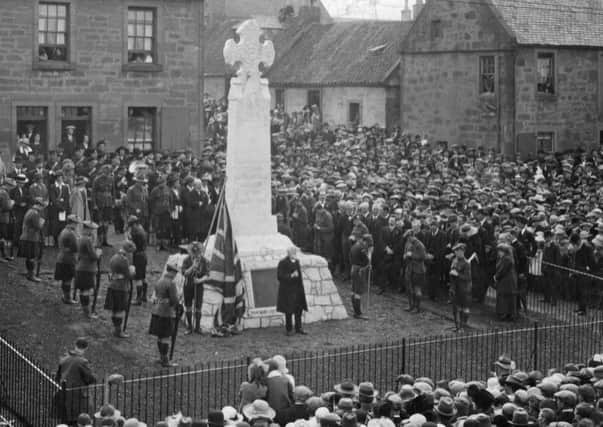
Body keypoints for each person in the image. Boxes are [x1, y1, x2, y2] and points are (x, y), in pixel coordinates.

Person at [55, 337, 96, 425]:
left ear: (75, 345)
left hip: (64, 394)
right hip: (78, 397)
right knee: (79, 420)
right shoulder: (82, 362)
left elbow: (57, 377)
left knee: (66, 420)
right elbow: (91, 379)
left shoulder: (64, 359)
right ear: (86, 348)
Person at [149, 257, 180, 368]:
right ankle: (165, 360)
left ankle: (161, 357)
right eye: (175, 272)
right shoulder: (171, 284)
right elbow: (174, 300)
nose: (175, 275)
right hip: (167, 313)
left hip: (157, 311)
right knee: (166, 337)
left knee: (160, 336)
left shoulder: (160, 281)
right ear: (171, 272)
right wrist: (177, 303)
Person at [104, 241, 137, 338]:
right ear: (128, 250)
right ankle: (118, 331)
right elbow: (129, 275)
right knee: (119, 310)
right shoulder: (124, 260)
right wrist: (133, 271)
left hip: (113, 285)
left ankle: (116, 328)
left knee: (115, 309)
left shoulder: (114, 257)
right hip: (121, 287)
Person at [276, 246, 308, 336]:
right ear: (288, 253)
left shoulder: (297, 262)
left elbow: (299, 276)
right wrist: (291, 276)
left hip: (297, 290)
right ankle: (289, 329)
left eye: (295, 253)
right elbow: (279, 276)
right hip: (288, 291)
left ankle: (299, 328)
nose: (294, 254)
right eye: (292, 253)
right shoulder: (282, 263)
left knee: (298, 310)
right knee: (289, 311)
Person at [74, 221, 102, 319]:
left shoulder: (80, 238)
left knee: (83, 290)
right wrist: (98, 253)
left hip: (81, 266)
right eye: (92, 229)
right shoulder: (87, 240)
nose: (93, 231)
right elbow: (93, 255)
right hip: (87, 268)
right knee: (85, 290)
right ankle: (87, 313)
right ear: (88, 229)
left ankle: (85, 310)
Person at [182, 241, 209, 335]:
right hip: (188, 285)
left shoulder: (204, 260)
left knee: (198, 307)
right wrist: (192, 267)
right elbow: (184, 273)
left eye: (197, 251)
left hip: (199, 285)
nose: (196, 253)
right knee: (188, 306)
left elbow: (207, 274)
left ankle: (197, 327)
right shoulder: (186, 260)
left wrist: (200, 280)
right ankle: (189, 327)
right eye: (194, 251)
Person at [18, 197, 45, 282]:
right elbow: (38, 226)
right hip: (30, 238)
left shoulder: (30, 211)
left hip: (27, 237)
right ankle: (31, 275)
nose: (41, 208)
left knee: (29, 257)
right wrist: (42, 221)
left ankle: (29, 273)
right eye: (41, 206)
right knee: (31, 257)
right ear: (37, 205)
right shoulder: (35, 213)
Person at [55, 215, 80, 304]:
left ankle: (66, 296)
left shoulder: (64, 231)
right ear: (72, 223)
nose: (76, 225)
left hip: (62, 257)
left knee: (65, 279)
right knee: (68, 280)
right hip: (68, 259)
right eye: (75, 224)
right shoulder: (70, 233)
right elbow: (76, 248)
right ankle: (67, 298)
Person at [403, 223, 427, 313]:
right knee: (409, 289)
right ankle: (411, 305)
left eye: (409, 238)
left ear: (413, 236)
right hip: (409, 268)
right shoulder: (408, 243)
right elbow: (405, 252)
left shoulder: (419, 245)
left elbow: (423, 257)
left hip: (418, 270)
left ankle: (417, 307)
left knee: (417, 289)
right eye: (407, 238)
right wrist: (405, 255)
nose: (408, 240)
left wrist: (412, 255)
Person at [449, 242, 472, 332]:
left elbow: (468, 277)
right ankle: (457, 326)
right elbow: (451, 270)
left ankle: (462, 326)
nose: (457, 253)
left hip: (464, 288)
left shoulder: (466, 263)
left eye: (459, 251)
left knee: (464, 309)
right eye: (456, 251)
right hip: (455, 287)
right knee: (455, 308)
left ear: (463, 252)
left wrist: (457, 274)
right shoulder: (455, 260)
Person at [349, 234, 372, 320]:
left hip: (353, 268)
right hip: (359, 271)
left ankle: (355, 310)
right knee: (358, 291)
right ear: (365, 241)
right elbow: (366, 261)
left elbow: (350, 257)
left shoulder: (354, 245)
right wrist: (369, 254)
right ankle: (358, 313)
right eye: (368, 244)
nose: (367, 246)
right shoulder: (362, 248)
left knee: (353, 290)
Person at [128, 215, 149, 306]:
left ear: (135, 224)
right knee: (143, 277)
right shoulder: (142, 229)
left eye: (131, 225)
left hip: (138, 256)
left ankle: (138, 299)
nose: (131, 227)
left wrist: (129, 238)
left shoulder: (136, 232)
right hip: (143, 255)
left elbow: (131, 245)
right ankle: (144, 296)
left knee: (138, 278)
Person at [92, 164, 115, 247]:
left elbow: (113, 191)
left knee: (106, 222)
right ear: (102, 171)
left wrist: (113, 202)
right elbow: (93, 192)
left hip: (108, 202)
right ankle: (99, 240)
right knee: (99, 221)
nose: (107, 173)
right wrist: (94, 204)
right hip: (99, 202)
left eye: (109, 172)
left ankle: (105, 240)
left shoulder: (111, 179)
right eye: (106, 171)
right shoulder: (97, 180)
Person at [494, 243, 518, 321]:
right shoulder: (507, 258)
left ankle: (504, 314)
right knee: (508, 298)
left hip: (507, 281)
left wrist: (496, 277)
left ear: (504, 251)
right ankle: (509, 314)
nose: (498, 253)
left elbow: (502, 270)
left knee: (504, 297)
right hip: (508, 280)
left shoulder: (506, 259)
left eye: (500, 251)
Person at [48, 171, 71, 247]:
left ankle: (62, 241)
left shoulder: (65, 187)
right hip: (55, 209)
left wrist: (65, 208)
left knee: (63, 225)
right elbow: (53, 199)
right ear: (56, 178)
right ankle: (55, 241)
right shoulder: (53, 187)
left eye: (61, 177)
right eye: (58, 177)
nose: (60, 179)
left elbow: (67, 198)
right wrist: (60, 207)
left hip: (64, 209)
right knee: (55, 225)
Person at [0, 178, 15, 261]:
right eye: (10, 186)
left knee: (2, 237)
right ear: (6, 185)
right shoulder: (4, 193)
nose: (11, 188)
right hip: (2, 218)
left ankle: (3, 254)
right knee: (2, 237)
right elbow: (6, 206)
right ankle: (2, 255)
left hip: (2, 217)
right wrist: (12, 203)